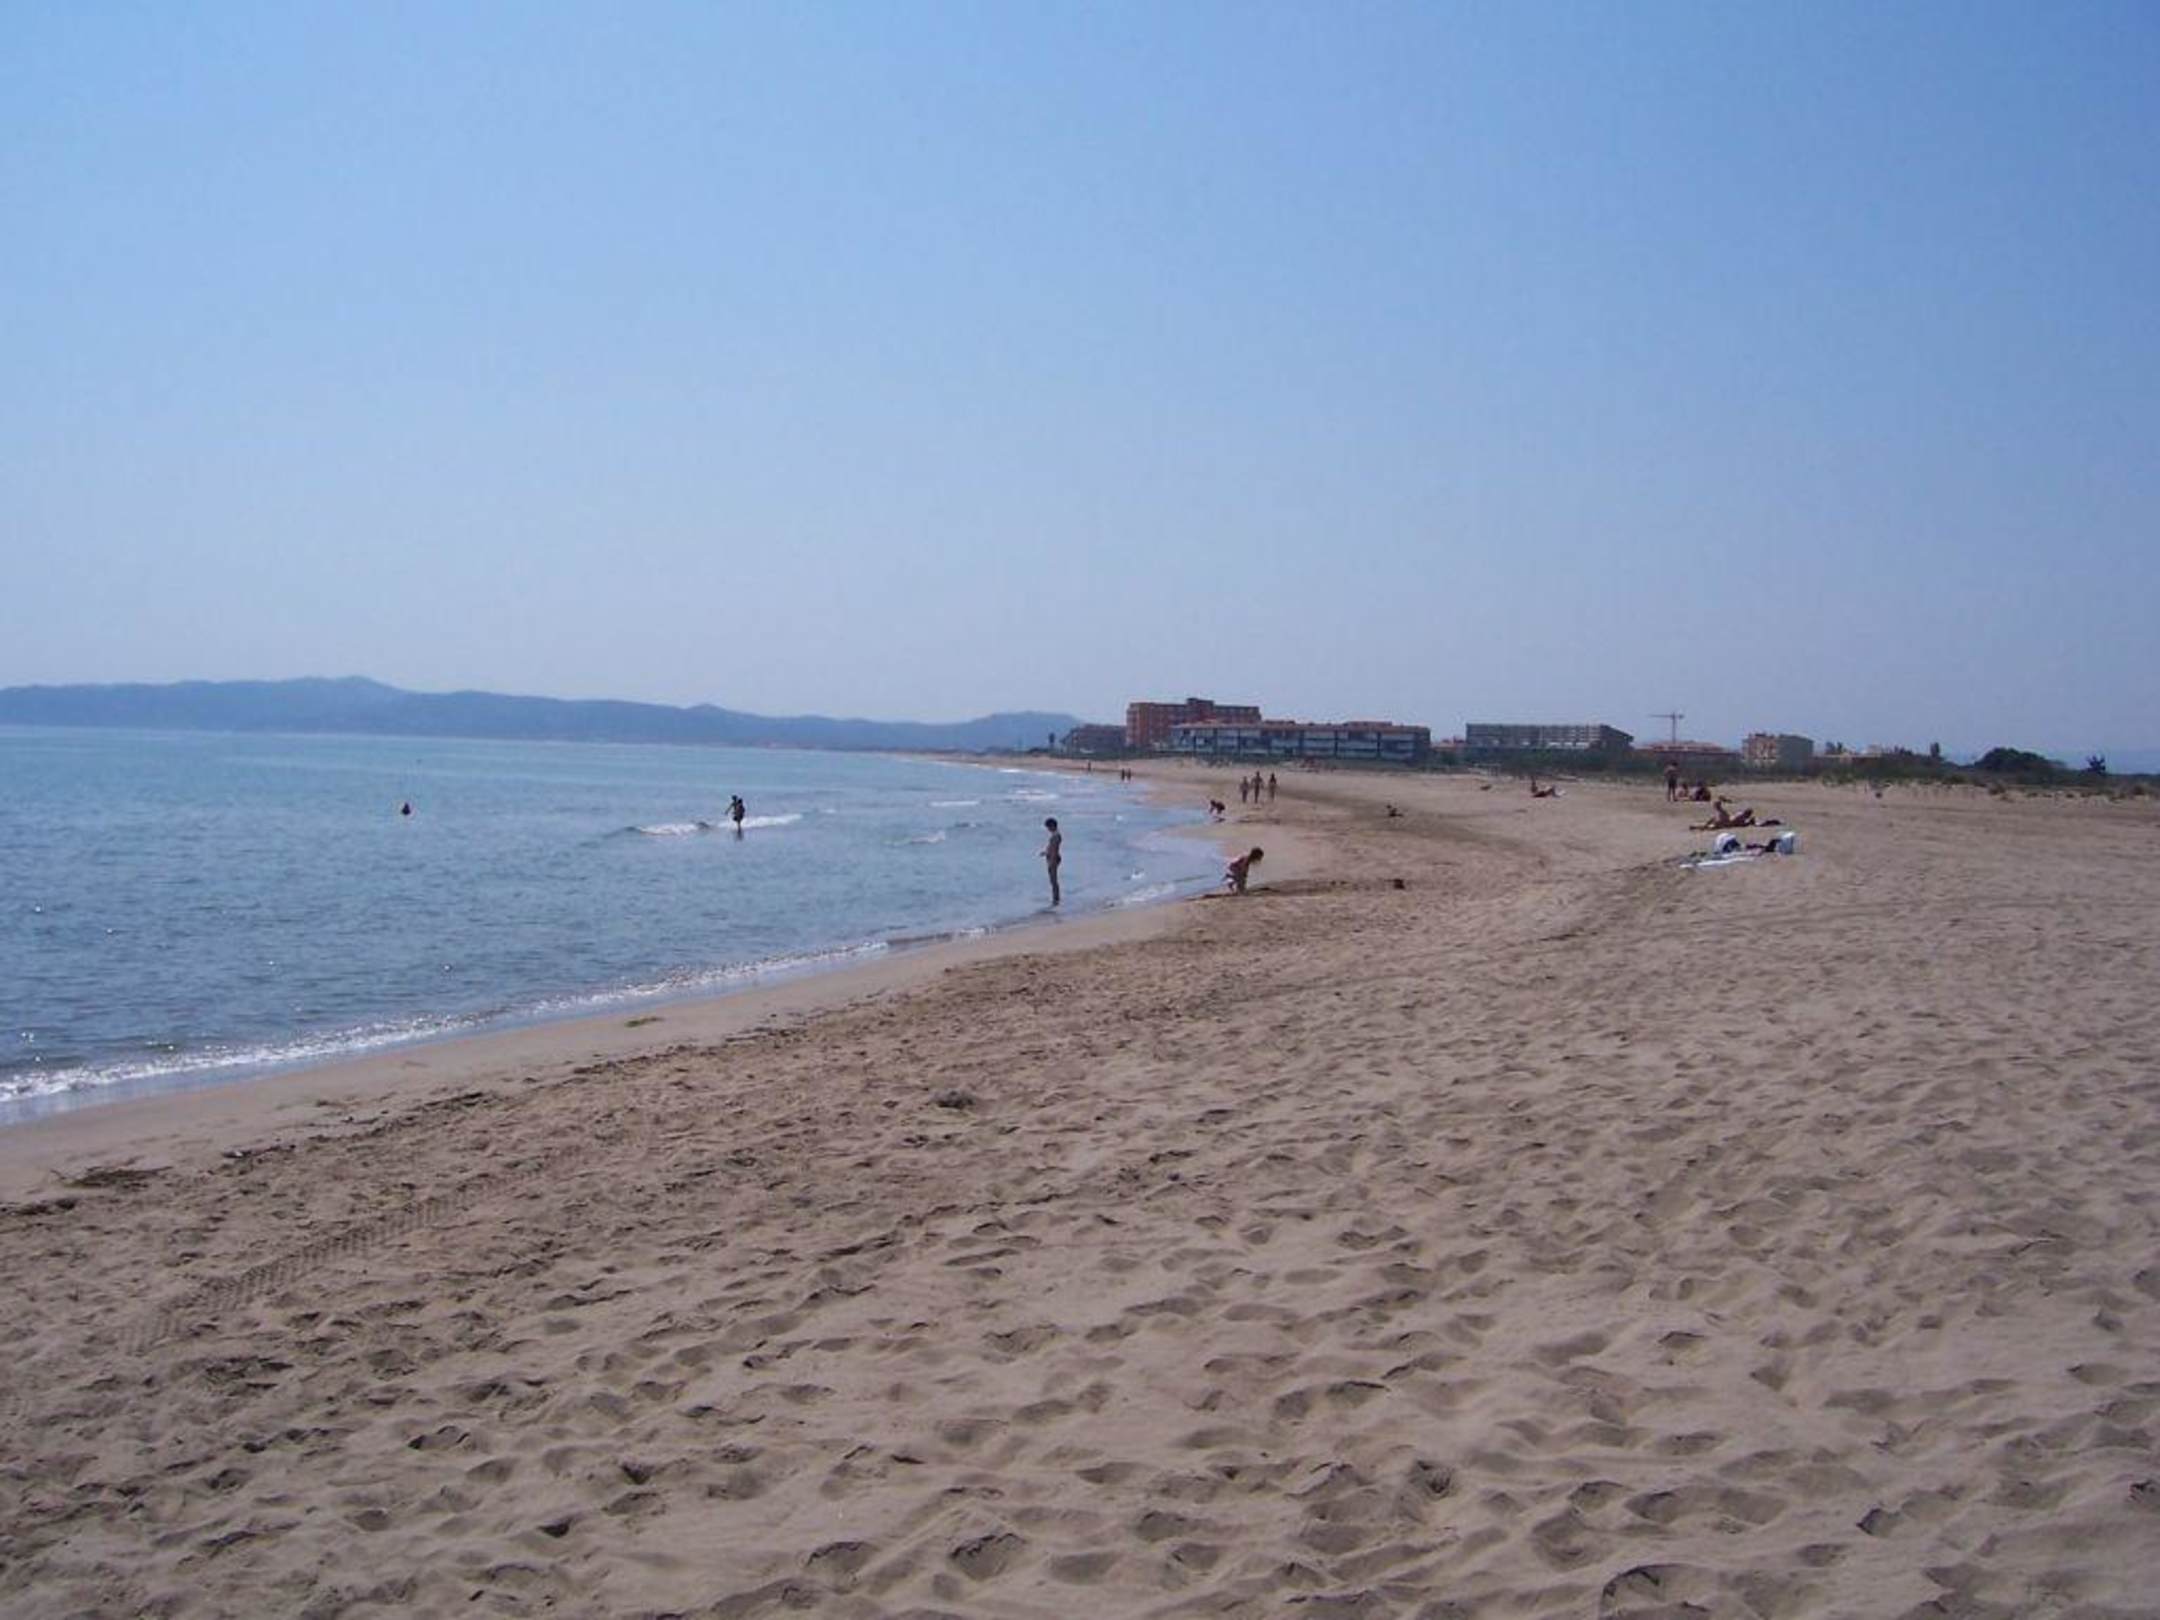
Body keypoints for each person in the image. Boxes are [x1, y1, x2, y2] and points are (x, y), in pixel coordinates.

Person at [1041, 816, 1062, 906]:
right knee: (1053, 880)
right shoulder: (1055, 835)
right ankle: (1055, 898)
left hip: (1053, 859)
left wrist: (1051, 862)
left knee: (1053, 880)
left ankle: (1056, 899)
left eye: (1048, 827)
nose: (1048, 829)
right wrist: (1045, 852)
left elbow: (1054, 850)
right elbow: (1052, 848)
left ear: (1052, 826)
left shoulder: (1056, 836)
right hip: (1053, 858)